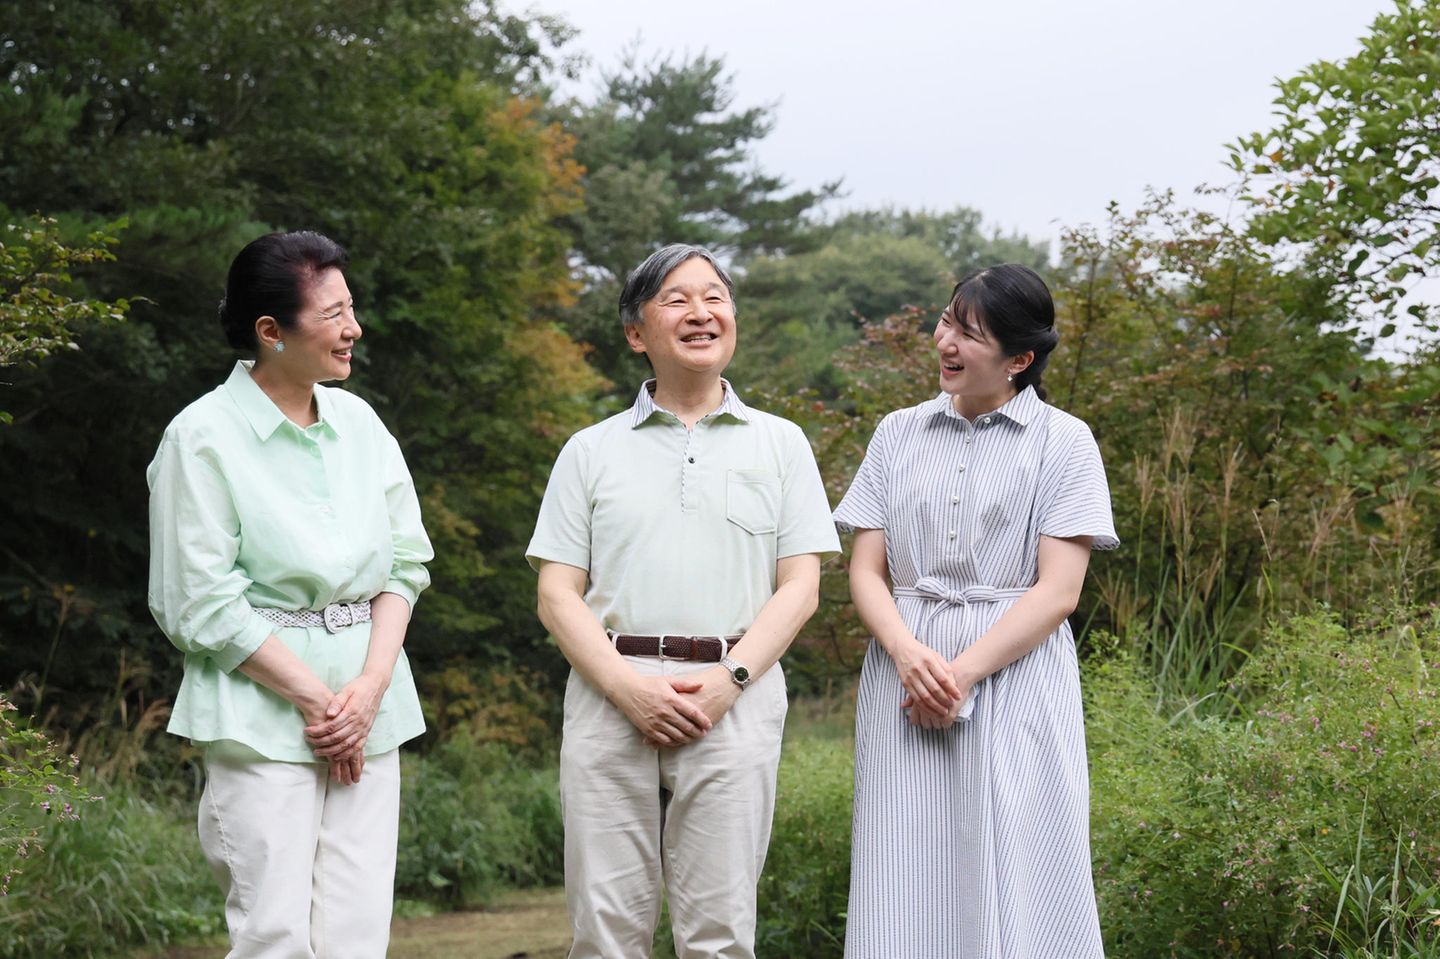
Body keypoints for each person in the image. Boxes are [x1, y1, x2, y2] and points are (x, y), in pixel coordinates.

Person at [527, 243, 840, 959]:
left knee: (721, 932)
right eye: (677, 298)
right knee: (605, 931)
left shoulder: (782, 445)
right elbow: (555, 592)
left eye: (716, 296)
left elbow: (800, 586)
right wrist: (625, 687)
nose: (702, 312)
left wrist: (732, 680)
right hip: (610, 696)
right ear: (637, 332)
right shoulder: (590, 450)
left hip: (735, 693)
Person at [146, 231, 433, 958]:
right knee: (274, 933)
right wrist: (314, 698)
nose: (353, 328)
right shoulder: (201, 438)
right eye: (333, 313)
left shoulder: (360, 423)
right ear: (270, 331)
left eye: (352, 308)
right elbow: (198, 598)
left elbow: (406, 562)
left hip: (371, 707)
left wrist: (366, 690)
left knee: (356, 936)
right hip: (258, 711)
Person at [833, 264, 1118, 958]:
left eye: (970, 332)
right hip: (903, 676)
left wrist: (958, 674)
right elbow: (866, 570)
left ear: (1020, 358)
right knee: (902, 861)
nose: (946, 343)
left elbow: (1059, 591)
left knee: (1022, 857)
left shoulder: (1065, 441)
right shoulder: (896, 433)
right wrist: (909, 656)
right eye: (945, 323)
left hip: (1014, 675)